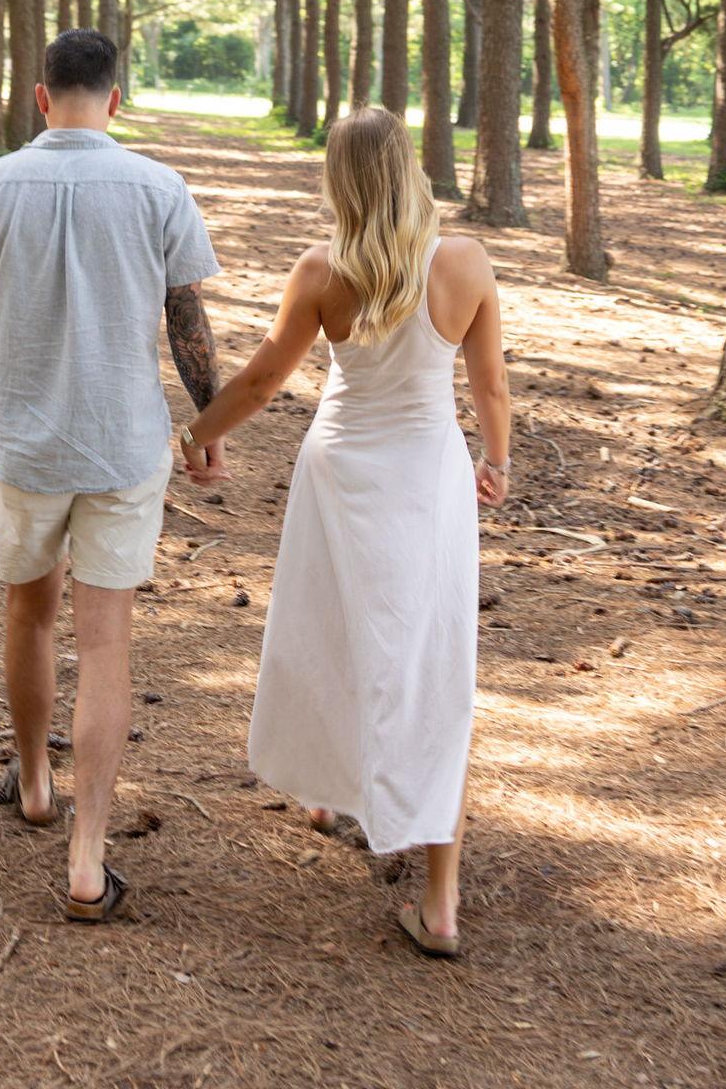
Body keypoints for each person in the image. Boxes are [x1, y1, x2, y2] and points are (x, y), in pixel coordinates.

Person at [175, 106, 512, 958]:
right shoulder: (465, 262)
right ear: (408, 168)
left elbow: (260, 379)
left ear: (340, 179)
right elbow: (492, 388)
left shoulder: (325, 269)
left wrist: (201, 433)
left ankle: (328, 794)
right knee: (432, 668)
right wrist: (496, 461)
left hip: (343, 468)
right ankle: (439, 900)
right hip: (429, 477)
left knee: (329, 634)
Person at [0, 28, 224, 923]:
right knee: (105, 639)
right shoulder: (158, 186)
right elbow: (188, 325)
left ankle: (32, 779)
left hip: (23, 443)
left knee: (28, 610)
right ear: (117, 99)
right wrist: (207, 426)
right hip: (124, 445)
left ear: (40, 96)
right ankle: (88, 853)